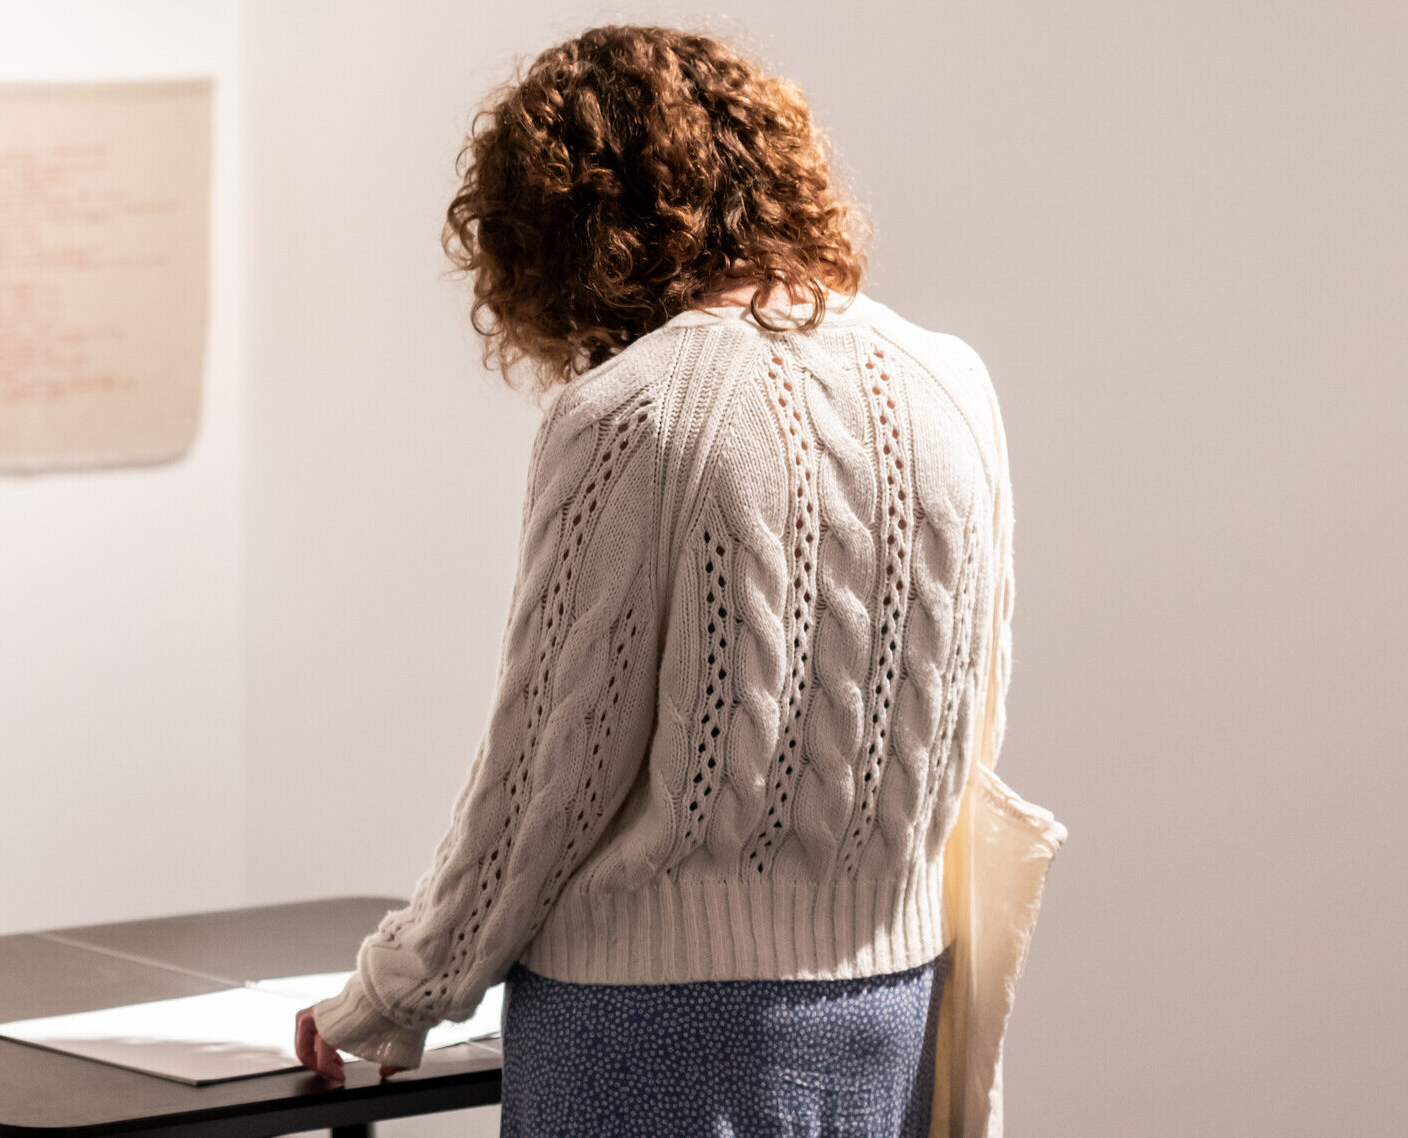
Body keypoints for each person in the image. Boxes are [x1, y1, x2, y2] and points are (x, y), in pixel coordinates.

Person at [289, 23, 1022, 1138]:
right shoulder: (950, 381)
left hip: (659, 1028)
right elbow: (972, 721)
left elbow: (547, 775)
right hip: (893, 1008)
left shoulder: (630, 412)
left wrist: (395, 993)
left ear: (561, 227)